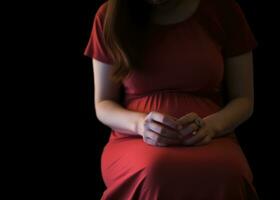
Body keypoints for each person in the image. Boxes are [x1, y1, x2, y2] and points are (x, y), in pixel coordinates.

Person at [84, 0, 259, 199]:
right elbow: (103, 103)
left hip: (214, 135)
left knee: (227, 174)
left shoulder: (224, 9)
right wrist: (142, 125)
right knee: (155, 172)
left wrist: (212, 127)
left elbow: (243, 99)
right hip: (134, 137)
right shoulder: (109, 15)